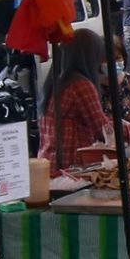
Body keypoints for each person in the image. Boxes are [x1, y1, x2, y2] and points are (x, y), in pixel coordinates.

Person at [40, 27, 114, 170]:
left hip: (48, 163)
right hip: (70, 167)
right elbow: (103, 129)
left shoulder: (54, 81)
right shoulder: (80, 85)